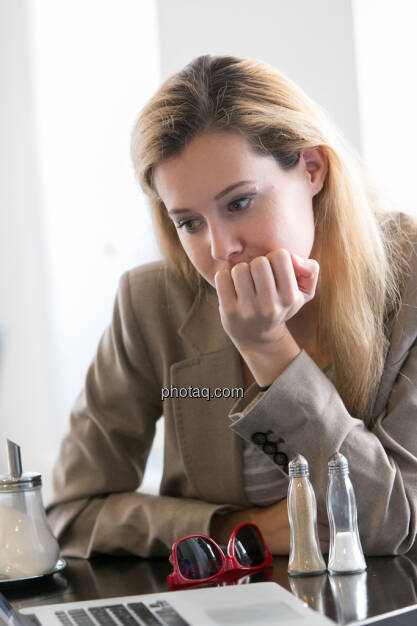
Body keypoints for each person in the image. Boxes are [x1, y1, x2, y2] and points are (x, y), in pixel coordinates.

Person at [47, 54, 417, 559]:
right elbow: (71, 514)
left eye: (238, 202)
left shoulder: (409, 286)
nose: (220, 249)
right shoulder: (151, 303)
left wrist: (270, 351)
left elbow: (392, 523)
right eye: (189, 222)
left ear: (311, 167)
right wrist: (242, 532)